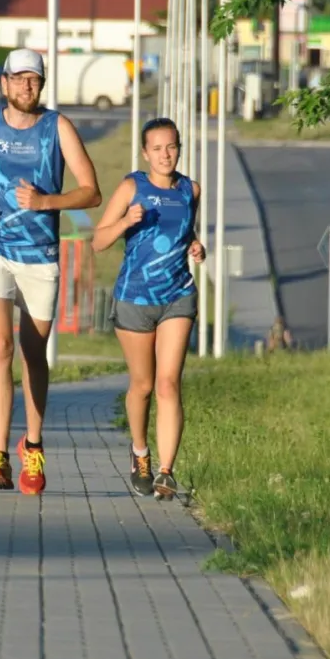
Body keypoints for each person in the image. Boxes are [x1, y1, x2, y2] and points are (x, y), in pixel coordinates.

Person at [0, 48, 102, 495]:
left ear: (42, 83)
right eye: (18, 79)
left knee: (32, 352)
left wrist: (47, 202)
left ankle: (32, 445)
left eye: (33, 80)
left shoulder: (58, 128)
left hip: (39, 254)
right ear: (3, 84)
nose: (26, 87)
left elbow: (92, 192)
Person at [91, 117, 205, 500]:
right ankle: (140, 453)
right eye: (157, 148)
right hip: (135, 298)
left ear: (179, 148)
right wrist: (125, 220)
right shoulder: (132, 187)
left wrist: (195, 245)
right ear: (145, 153)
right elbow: (98, 242)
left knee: (168, 383)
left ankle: (167, 472)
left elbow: (185, 229)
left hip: (178, 294)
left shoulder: (191, 189)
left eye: (171, 146)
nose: (165, 155)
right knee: (142, 385)